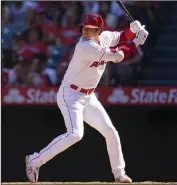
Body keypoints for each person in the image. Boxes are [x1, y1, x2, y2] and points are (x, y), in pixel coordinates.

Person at [25, 13, 148, 183]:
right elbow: (119, 55)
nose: (85, 31)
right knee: (75, 134)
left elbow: (120, 37)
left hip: (88, 96)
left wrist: (132, 30)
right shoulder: (85, 47)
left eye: (90, 29)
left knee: (110, 132)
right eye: (84, 28)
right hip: (70, 95)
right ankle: (34, 161)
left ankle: (119, 174)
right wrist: (137, 42)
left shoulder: (104, 38)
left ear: (99, 29)